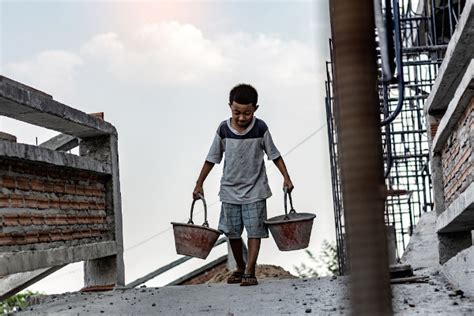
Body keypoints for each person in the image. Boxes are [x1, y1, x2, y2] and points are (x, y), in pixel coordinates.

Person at [192, 83, 294, 286]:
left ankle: (249, 270)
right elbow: (211, 158)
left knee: (254, 231)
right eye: (236, 112)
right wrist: (199, 183)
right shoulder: (223, 129)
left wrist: (286, 177)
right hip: (230, 191)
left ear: (255, 109)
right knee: (232, 232)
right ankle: (239, 266)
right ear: (230, 106)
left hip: (255, 190)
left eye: (247, 113)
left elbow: (274, 155)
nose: (241, 117)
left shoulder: (260, 128)